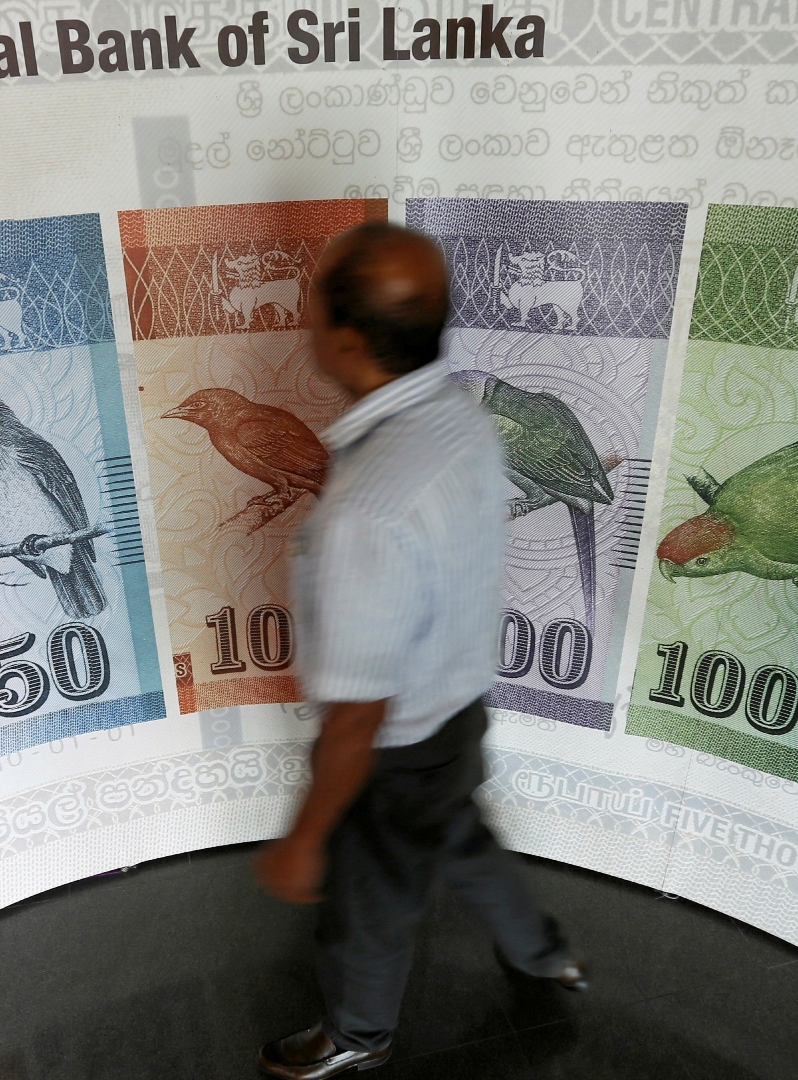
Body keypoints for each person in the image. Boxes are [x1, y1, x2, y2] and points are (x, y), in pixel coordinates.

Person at [254, 222, 587, 1080]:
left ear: (347, 342)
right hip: (459, 712)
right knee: (465, 840)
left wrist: (306, 837)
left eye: (314, 303)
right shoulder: (464, 419)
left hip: (395, 754)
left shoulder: (365, 508)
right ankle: (545, 953)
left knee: (370, 907)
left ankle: (357, 1035)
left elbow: (358, 715)